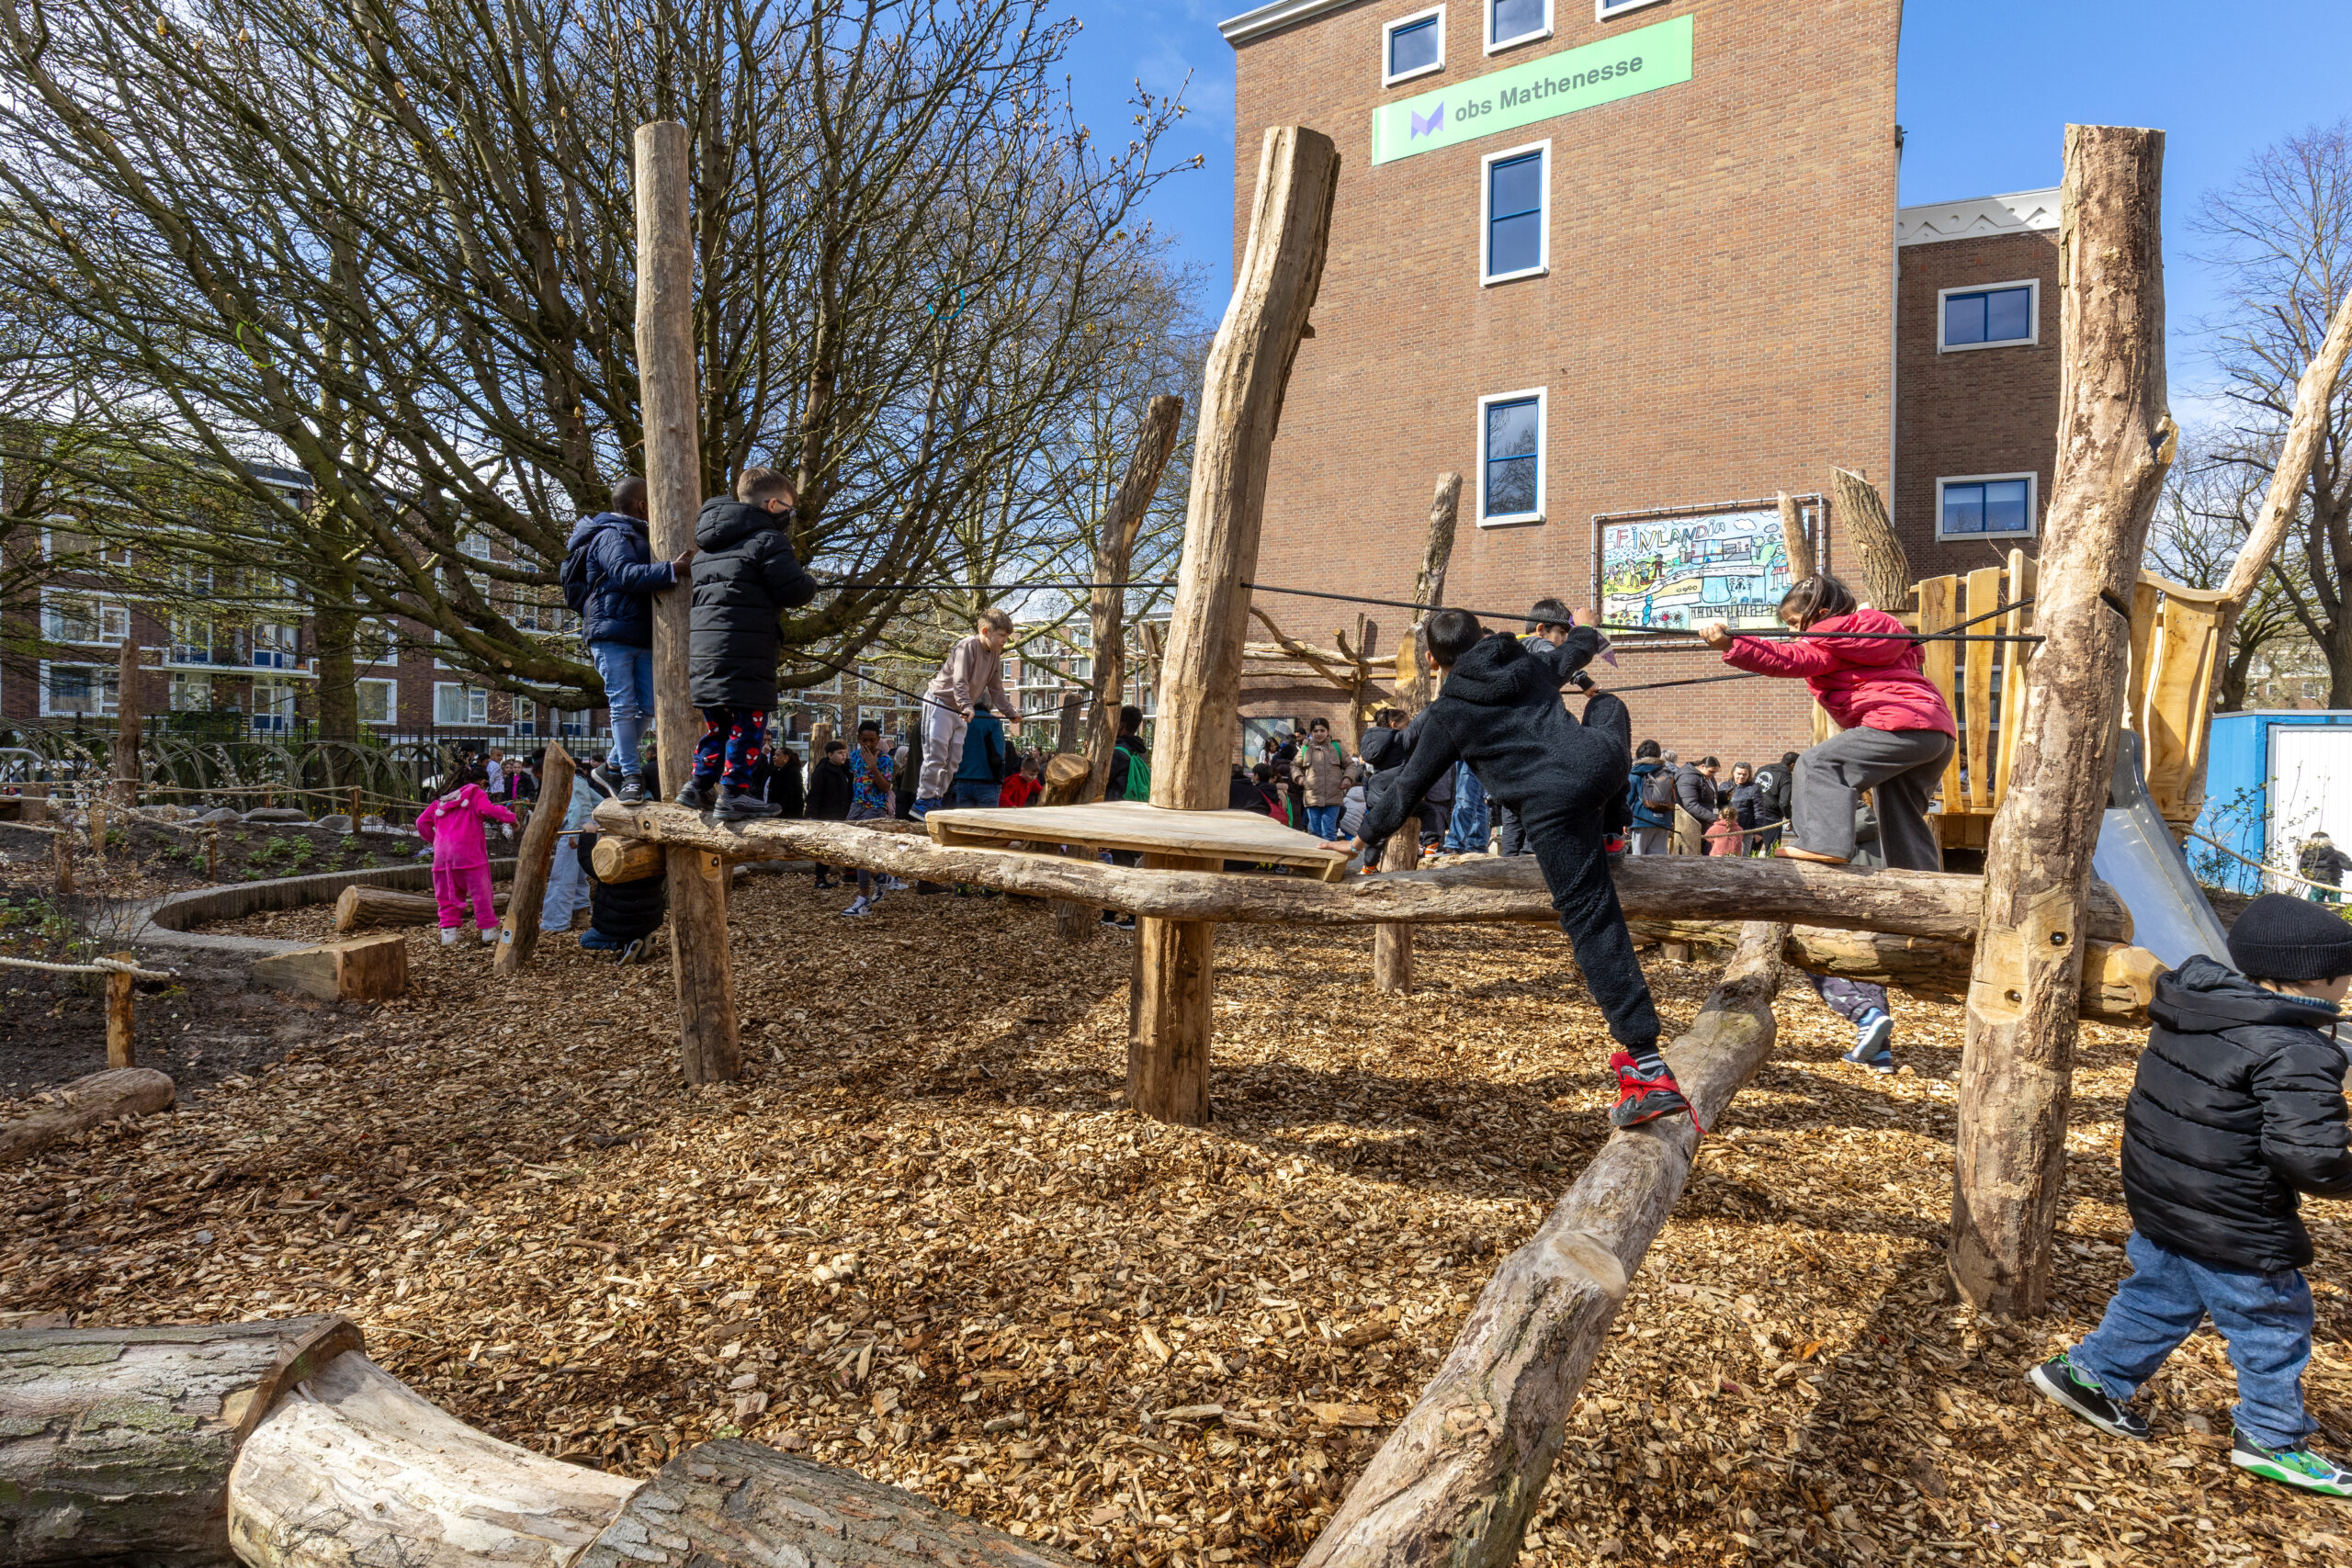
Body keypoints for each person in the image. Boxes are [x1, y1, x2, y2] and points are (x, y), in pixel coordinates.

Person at [2030, 894, 2352, 1496]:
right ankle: (2273, 1439)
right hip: (2234, 1219)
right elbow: (2308, 1156)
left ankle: (2090, 1375)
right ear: (2316, 977)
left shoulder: (2192, 1005)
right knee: (2273, 1324)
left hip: (2165, 1196)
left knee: (2160, 1294)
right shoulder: (2297, 1048)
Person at [1341, 607, 1686, 1128]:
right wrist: (1589, 628)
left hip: (1552, 806)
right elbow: (1576, 652)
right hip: (1602, 766)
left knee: (1591, 919)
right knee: (1608, 705)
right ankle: (1613, 833)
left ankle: (1650, 1068)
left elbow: (1407, 787)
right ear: (1484, 637)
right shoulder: (1527, 664)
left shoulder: (1448, 712)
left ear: (1434, 660)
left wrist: (1359, 841)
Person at [1695, 574, 1955, 869]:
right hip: (1936, 734)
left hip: (1899, 726)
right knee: (1900, 814)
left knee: (1818, 765)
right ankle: (1920, 882)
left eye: (1794, 623)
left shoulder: (1829, 637)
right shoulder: (1876, 638)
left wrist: (1733, 643)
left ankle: (1823, 842)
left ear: (1819, 616)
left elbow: (1787, 658)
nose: (1793, 632)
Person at [682, 468, 820, 819]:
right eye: (790, 509)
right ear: (773, 504)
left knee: (718, 726)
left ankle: (696, 786)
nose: (790, 516)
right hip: (747, 655)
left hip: (705, 658)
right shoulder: (767, 540)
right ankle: (734, 794)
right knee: (748, 726)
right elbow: (793, 590)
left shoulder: (705, 550)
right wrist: (810, 582)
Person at [567, 476, 692, 803]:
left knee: (649, 705)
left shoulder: (638, 534)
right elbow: (624, 573)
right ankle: (630, 775)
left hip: (640, 633)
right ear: (643, 505)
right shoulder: (611, 534)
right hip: (612, 632)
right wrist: (672, 569)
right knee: (623, 705)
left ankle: (611, 765)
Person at [1496, 598, 1579, 857]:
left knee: (1512, 810)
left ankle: (1510, 859)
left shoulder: (1514, 647)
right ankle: (1534, 856)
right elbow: (1558, 659)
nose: (1564, 640)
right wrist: (1584, 680)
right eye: (1562, 633)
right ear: (1542, 629)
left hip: (1509, 742)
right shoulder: (1540, 643)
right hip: (1532, 740)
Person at [914, 608, 1015, 815]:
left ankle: (936, 798)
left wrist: (1009, 711)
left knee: (954, 759)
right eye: (1002, 636)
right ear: (986, 631)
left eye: (1007, 637)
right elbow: (960, 680)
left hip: (961, 708)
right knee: (937, 754)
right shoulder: (967, 647)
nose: (1005, 641)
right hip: (941, 703)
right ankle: (923, 799)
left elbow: (996, 687)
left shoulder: (995, 655)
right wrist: (967, 706)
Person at [414, 761, 515, 946]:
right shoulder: (476, 793)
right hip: (470, 855)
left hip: (443, 857)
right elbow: (490, 809)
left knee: (446, 894)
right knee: (481, 893)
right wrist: (511, 818)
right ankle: (488, 930)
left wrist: (436, 841)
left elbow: (421, 822)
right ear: (482, 782)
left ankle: (448, 933)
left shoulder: (442, 800)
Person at [576, 822, 667, 964]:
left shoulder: (613, 867)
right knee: (635, 922)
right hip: (647, 921)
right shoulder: (655, 861)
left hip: (615, 924)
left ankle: (624, 945)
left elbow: (587, 860)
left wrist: (588, 835)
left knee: (586, 940)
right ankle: (642, 939)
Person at [841, 719, 896, 917]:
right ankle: (881, 877)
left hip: (875, 808)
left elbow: (886, 788)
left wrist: (873, 767)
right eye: (865, 740)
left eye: (872, 740)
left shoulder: (885, 760)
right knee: (849, 851)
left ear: (878, 740)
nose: (869, 745)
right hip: (856, 806)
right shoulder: (854, 756)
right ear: (858, 739)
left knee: (861, 851)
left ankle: (864, 901)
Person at [805, 738, 854, 890]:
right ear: (830, 754)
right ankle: (820, 878)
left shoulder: (844, 769)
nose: (843, 756)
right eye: (840, 753)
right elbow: (815, 794)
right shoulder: (822, 771)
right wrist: (811, 816)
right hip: (826, 815)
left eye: (845, 753)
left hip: (842, 814)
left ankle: (848, 872)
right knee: (824, 848)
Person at [948, 699, 1012, 809]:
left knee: (966, 823)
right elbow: (998, 755)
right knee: (986, 823)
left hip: (962, 779)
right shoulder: (993, 722)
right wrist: (1000, 778)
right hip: (987, 781)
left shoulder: (960, 720)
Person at [1293, 717, 1349, 840]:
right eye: (1316, 731)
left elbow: (1350, 765)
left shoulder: (1337, 747)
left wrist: (1347, 778)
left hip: (1333, 796)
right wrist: (1300, 778)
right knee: (1314, 832)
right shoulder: (1305, 748)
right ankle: (1316, 860)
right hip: (1312, 797)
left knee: (1329, 832)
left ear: (1328, 731)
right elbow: (1294, 765)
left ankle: (1330, 859)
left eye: (1322, 730)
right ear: (1311, 733)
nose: (1319, 734)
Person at [1625, 739, 1674, 856]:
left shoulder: (1636, 773)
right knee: (1659, 860)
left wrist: (1624, 820)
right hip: (1663, 820)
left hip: (1641, 820)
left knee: (1638, 858)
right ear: (1658, 755)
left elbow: (1628, 799)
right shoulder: (1667, 772)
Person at [1748, 751, 1795, 855]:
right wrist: (1789, 817)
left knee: (1750, 852)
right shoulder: (1785, 776)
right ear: (1792, 765)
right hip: (1771, 817)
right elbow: (1784, 802)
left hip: (1754, 813)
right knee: (1772, 852)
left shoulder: (1763, 769)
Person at [1674, 755, 1721, 852]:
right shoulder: (1687, 777)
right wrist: (1713, 817)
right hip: (1692, 825)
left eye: (1715, 772)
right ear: (1702, 766)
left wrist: (1724, 795)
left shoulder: (1707, 777)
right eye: (1711, 771)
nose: (1713, 775)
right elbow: (1690, 804)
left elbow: (1709, 797)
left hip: (1706, 823)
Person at [2300, 832, 2349, 904]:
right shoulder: (2336, 854)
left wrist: (2309, 878)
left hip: (2316, 882)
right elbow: (2348, 866)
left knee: (2314, 905)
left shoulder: (2306, 855)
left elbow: (2302, 868)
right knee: (2335, 905)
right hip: (2333, 882)